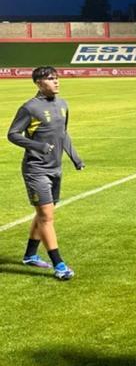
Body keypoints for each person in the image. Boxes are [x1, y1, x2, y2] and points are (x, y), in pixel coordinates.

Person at [7, 66, 84, 280]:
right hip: (36, 169)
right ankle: (59, 265)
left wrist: (75, 157)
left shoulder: (62, 104)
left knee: (44, 214)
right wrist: (37, 147)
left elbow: (63, 133)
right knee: (47, 216)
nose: (57, 82)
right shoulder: (30, 108)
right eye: (51, 79)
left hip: (55, 168)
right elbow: (12, 134)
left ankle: (30, 255)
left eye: (57, 78)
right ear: (39, 83)